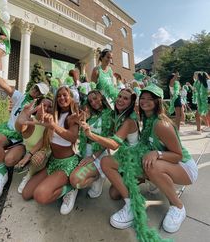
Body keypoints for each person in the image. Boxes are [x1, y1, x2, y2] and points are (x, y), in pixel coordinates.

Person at [126, 84, 197, 239]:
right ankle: (157, 181)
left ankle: (178, 206)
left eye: (150, 99)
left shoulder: (161, 124)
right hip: (171, 164)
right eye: (142, 98)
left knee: (153, 166)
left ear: (157, 102)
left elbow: (178, 155)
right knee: (137, 167)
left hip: (185, 167)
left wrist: (157, 153)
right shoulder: (147, 120)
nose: (144, 101)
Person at [0, 54, 49, 199]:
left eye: (39, 92)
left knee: (8, 160)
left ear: (40, 97)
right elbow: (1, 83)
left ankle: (4, 164)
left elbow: (31, 131)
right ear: (32, 86)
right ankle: (2, 177)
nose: (35, 91)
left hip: (21, 141)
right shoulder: (20, 97)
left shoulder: (38, 109)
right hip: (8, 133)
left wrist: (29, 117)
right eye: (35, 88)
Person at [80, 89, 139, 227]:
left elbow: (112, 144)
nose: (120, 100)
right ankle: (141, 181)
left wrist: (91, 136)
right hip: (124, 157)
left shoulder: (128, 119)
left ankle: (132, 206)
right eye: (119, 96)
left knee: (106, 162)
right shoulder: (119, 115)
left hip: (134, 159)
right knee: (113, 194)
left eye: (125, 98)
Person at [21, 86, 80, 215]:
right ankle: (54, 183)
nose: (61, 98)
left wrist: (53, 125)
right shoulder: (54, 115)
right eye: (59, 96)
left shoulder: (73, 116)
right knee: (26, 194)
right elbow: (44, 138)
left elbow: (72, 137)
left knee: (40, 196)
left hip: (67, 164)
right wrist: (29, 155)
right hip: (53, 161)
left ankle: (70, 188)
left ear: (70, 97)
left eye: (65, 95)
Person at [70, 90, 113, 198]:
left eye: (95, 98)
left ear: (101, 98)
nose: (93, 102)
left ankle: (98, 177)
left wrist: (93, 157)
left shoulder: (110, 115)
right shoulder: (90, 114)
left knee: (76, 180)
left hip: (99, 154)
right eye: (90, 101)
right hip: (85, 150)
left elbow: (107, 141)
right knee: (68, 171)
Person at [15, 96, 54, 194]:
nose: (46, 108)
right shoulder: (30, 122)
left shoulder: (52, 123)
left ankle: (36, 174)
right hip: (35, 157)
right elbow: (20, 126)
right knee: (37, 157)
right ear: (37, 107)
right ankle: (29, 175)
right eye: (43, 105)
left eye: (50, 106)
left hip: (49, 156)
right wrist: (23, 115)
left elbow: (44, 141)